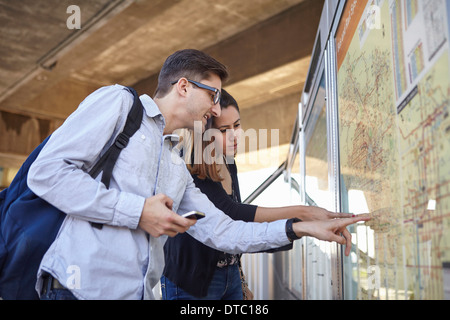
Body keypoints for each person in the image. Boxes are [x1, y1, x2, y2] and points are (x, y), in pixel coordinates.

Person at [27, 49, 369, 300]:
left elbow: (223, 230)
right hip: (76, 290)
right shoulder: (118, 103)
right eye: (213, 94)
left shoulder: (176, 162)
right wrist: (138, 212)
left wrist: (299, 227)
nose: (216, 108)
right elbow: (46, 173)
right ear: (184, 87)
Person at [161, 90, 356, 300]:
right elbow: (232, 213)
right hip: (191, 283)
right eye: (224, 130)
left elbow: (236, 229)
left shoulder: (228, 162)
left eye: (237, 125)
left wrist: (240, 279)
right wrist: (306, 213)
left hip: (230, 276)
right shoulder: (189, 167)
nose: (234, 135)